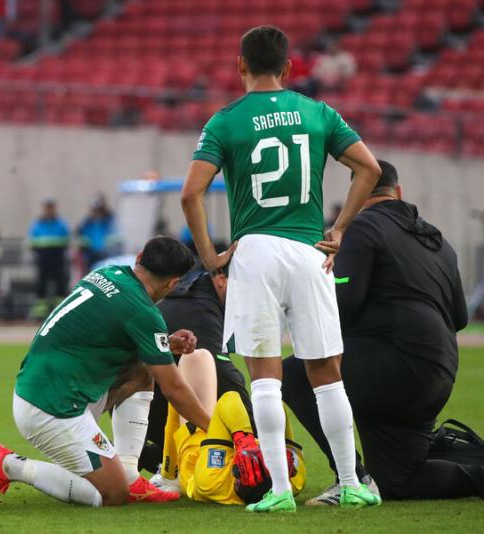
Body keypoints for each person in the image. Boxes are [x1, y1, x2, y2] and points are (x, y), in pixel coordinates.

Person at [182, 25, 382, 512]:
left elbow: (191, 193)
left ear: (240, 66)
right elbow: (370, 170)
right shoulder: (318, 112)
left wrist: (210, 257)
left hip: (256, 253)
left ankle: (277, 490)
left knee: (265, 377)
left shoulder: (225, 121)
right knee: (327, 374)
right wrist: (338, 230)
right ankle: (352, 481)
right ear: (289, 68)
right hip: (309, 251)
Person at [282, 160, 484, 503]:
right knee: (398, 480)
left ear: (357, 193)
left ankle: (352, 480)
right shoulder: (438, 240)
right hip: (439, 371)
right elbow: (460, 317)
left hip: (395, 364)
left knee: (295, 371)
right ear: (399, 192)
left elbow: (343, 307)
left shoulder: (361, 228)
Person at [0, 237, 212, 508]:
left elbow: (103, 334)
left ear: (139, 257)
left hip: (43, 388)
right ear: (172, 283)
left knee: (144, 369)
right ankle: (8, 465)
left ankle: (131, 475)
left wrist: (164, 343)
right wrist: (216, 430)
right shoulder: (143, 312)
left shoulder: (106, 273)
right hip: (53, 410)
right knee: (113, 494)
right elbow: (175, 389)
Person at [141, 269, 252, 478]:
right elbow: (227, 378)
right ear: (221, 280)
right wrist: (252, 441)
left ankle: (148, 459)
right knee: (202, 362)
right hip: (175, 431)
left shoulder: (192, 295)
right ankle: (161, 463)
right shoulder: (199, 306)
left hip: (148, 418)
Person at [159, 349, 306, 505]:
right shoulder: (294, 481)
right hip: (234, 449)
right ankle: (167, 477)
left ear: (235, 478)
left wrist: (244, 441)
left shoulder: (213, 482)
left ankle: (169, 477)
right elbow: (279, 410)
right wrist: (277, 450)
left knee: (195, 359)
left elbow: (229, 399)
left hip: (199, 456)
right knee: (268, 407)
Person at [28, 198, 70, 319]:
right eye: (47, 207)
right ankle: (41, 315)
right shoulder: (38, 224)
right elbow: (33, 241)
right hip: (43, 259)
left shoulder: (61, 223)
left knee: (60, 287)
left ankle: (62, 313)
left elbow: (66, 239)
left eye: (51, 207)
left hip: (57, 259)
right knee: (41, 287)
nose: (49, 210)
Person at [76, 194, 118, 273]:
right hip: (91, 254)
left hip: (106, 254)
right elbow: (79, 234)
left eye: (99, 209)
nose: (96, 212)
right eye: (95, 209)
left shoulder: (110, 220)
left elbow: (115, 234)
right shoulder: (87, 222)